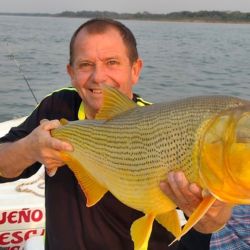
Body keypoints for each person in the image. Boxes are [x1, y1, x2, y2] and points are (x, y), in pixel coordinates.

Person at [0, 18, 232, 250]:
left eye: (112, 62)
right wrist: (29, 148)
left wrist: (213, 211)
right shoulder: (56, 107)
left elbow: (209, 224)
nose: (98, 77)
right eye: (85, 65)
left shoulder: (163, 125)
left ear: (135, 69)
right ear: (71, 73)